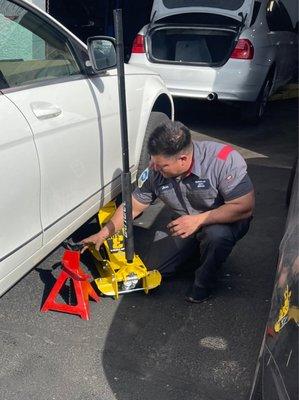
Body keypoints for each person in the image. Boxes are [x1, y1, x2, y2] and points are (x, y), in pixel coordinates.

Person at [82, 120, 255, 303]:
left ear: (183, 159)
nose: (154, 168)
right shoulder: (156, 168)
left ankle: (204, 282)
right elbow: (133, 205)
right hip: (184, 224)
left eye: (162, 165)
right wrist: (104, 233)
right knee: (154, 270)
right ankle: (200, 254)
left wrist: (197, 220)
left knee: (216, 237)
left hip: (223, 221)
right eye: (153, 161)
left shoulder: (223, 160)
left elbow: (244, 207)